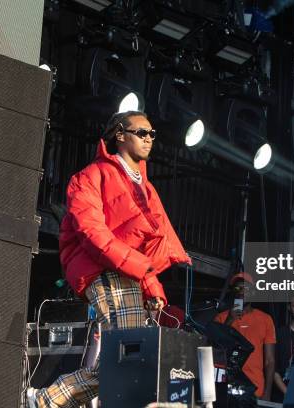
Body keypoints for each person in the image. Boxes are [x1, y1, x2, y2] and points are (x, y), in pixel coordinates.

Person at [29, 110, 191, 407]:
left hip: (129, 272)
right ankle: (45, 400)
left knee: (127, 358)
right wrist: (140, 268)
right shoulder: (90, 176)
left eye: (153, 134)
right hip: (102, 270)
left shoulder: (146, 187)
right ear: (119, 135)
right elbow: (92, 233)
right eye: (142, 132)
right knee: (127, 357)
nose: (149, 139)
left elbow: (147, 245)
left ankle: (48, 400)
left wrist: (151, 284)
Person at [214, 272, 276, 401]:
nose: (241, 291)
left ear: (253, 292)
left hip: (255, 387)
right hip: (228, 386)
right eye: (238, 288)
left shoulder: (265, 319)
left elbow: (270, 360)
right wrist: (230, 320)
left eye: (246, 288)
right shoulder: (221, 318)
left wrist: (267, 392)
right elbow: (216, 352)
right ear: (233, 292)